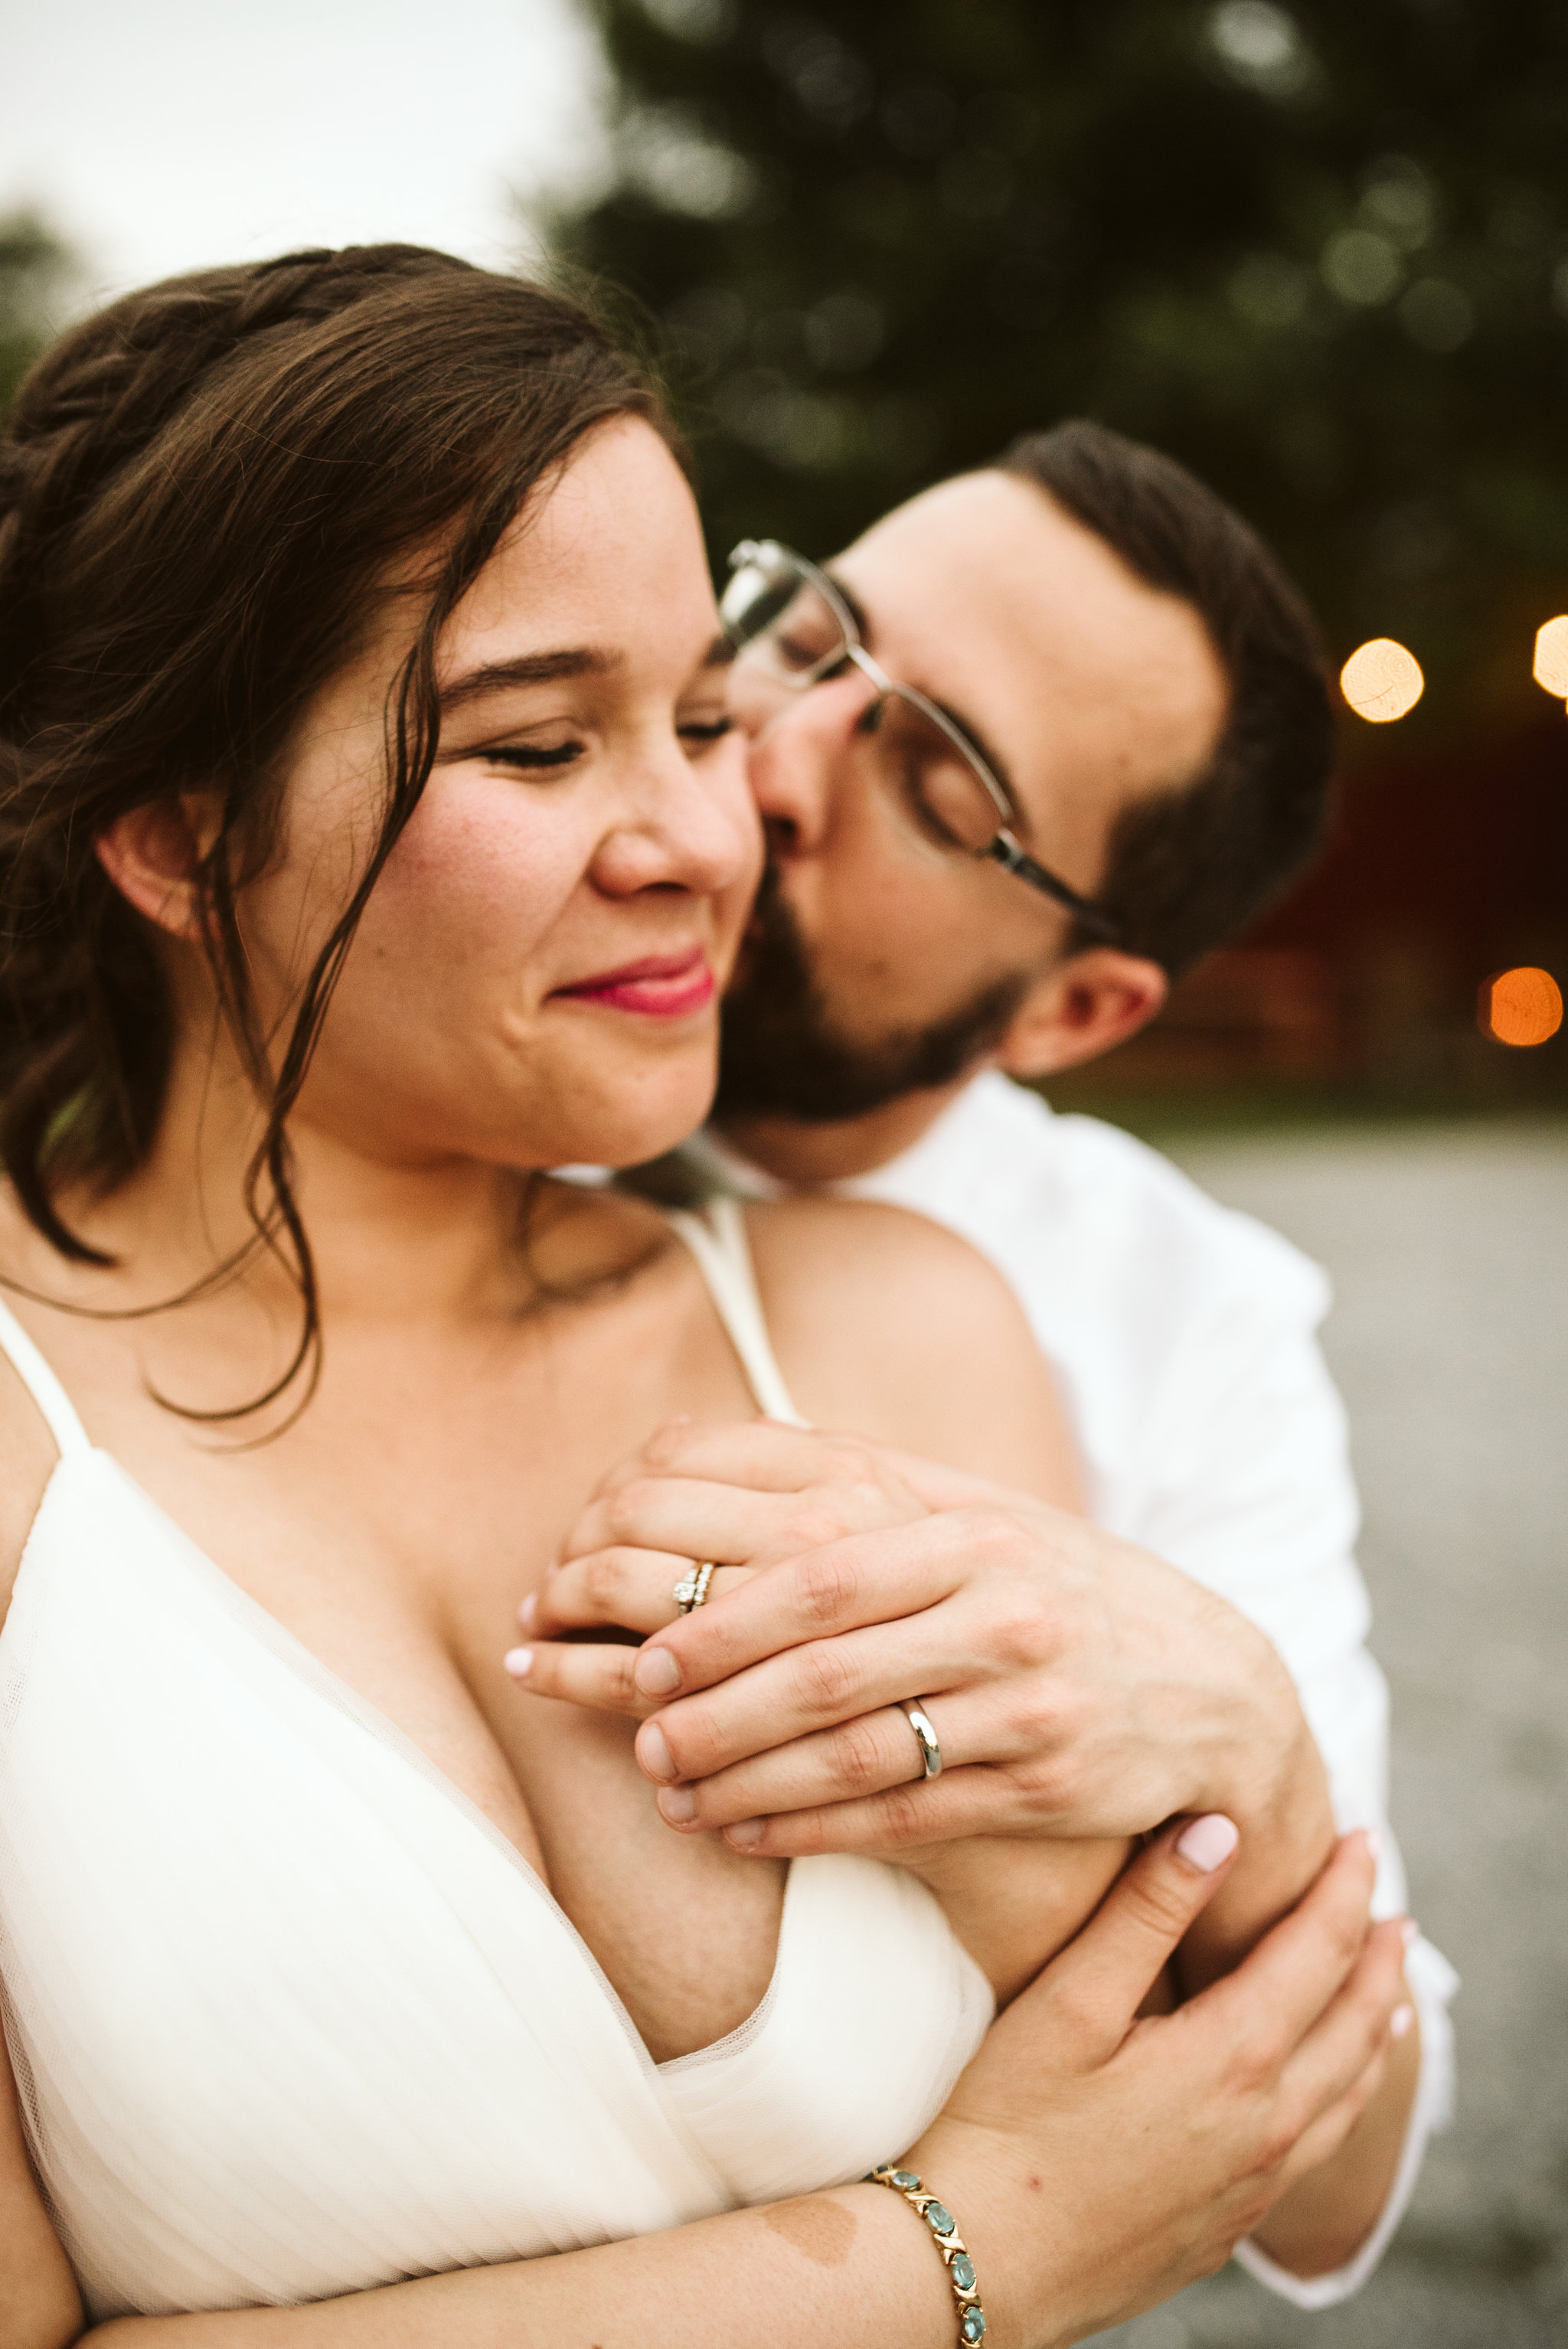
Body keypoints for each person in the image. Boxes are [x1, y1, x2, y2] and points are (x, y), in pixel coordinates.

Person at [0, 246, 1406, 2348]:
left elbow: (1275, 2100)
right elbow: (1080, 2185)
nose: (717, 821)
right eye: (544, 742)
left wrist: (1249, 1726)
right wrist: (977, 2243)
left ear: (1086, 1000)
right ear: (185, 836)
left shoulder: (912, 1323)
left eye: (688, 714)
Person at [522, 425, 1455, 2305]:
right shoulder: (437, 1020)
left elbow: (1338, 2194)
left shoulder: (1184, 1318)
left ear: (1075, 1004)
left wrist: (1250, 1748)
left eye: (937, 780)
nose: (766, 764)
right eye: (802, 633)